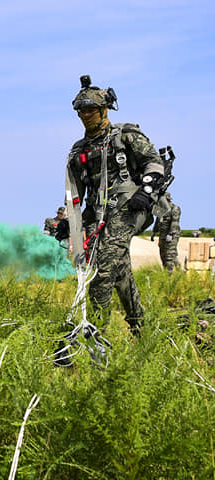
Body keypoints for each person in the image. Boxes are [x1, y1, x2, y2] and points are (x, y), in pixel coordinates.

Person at [66, 75, 166, 334]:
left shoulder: (125, 135)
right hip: (100, 216)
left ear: (104, 110)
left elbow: (154, 163)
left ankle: (97, 337)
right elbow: (75, 194)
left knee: (104, 272)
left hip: (131, 208)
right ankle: (141, 331)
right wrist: (69, 222)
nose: (85, 115)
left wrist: (145, 190)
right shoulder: (79, 151)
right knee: (120, 270)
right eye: (81, 110)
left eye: (90, 110)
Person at [152, 192, 181, 272]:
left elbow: (175, 222)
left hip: (172, 235)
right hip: (163, 234)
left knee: (169, 255)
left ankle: (169, 275)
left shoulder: (175, 208)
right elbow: (157, 221)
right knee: (163, 254)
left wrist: (171, 234)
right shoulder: (160, 209)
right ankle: (176, 271)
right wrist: (154, 232)